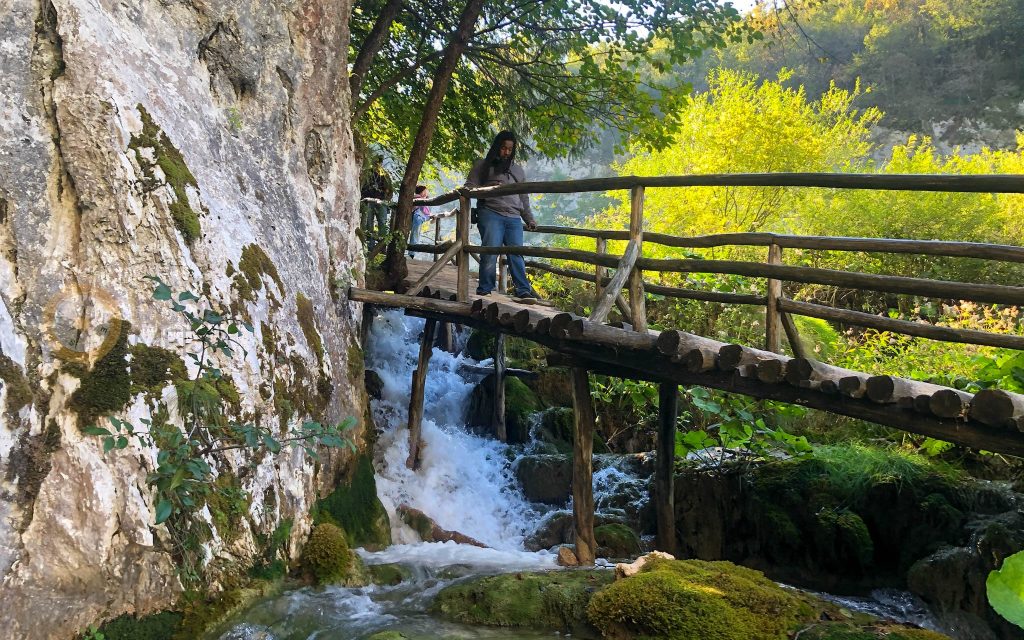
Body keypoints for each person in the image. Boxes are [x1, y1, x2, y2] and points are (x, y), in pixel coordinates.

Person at [465, 131, 539, 299]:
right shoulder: (483, 166)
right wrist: (489, 189)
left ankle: (523, 290)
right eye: (503, 148)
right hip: (490, 212)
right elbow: (468, 187)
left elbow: (524, 197)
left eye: (510, 149)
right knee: (490, 250)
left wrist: (529, 219)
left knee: (516, 253)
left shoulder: (518, 170)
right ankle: (485, 288)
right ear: (497, 147)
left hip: (514, 217)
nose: (506, 152)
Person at [359, 154, 393, 249]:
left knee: (382, 223)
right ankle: (370, 247)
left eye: (379, 162)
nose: (377, 164)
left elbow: (390, 190)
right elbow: (361, 185)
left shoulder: (385, 175)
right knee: (368, 223)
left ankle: (381, 247)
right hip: (368, 201)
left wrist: (386, 200)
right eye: (376, 162)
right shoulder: (367, 173)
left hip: (381, 202)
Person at [408, 185, 433, 258]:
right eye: (425, 191)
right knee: (415, 235)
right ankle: (412, 253)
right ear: (422, 192)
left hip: (415, 218)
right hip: (417, 218)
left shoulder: (417, 198)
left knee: (415, 235)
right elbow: (425, 211)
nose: (427, 192)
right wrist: (430, 216)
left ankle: (412, 253)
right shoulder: (418, 198)